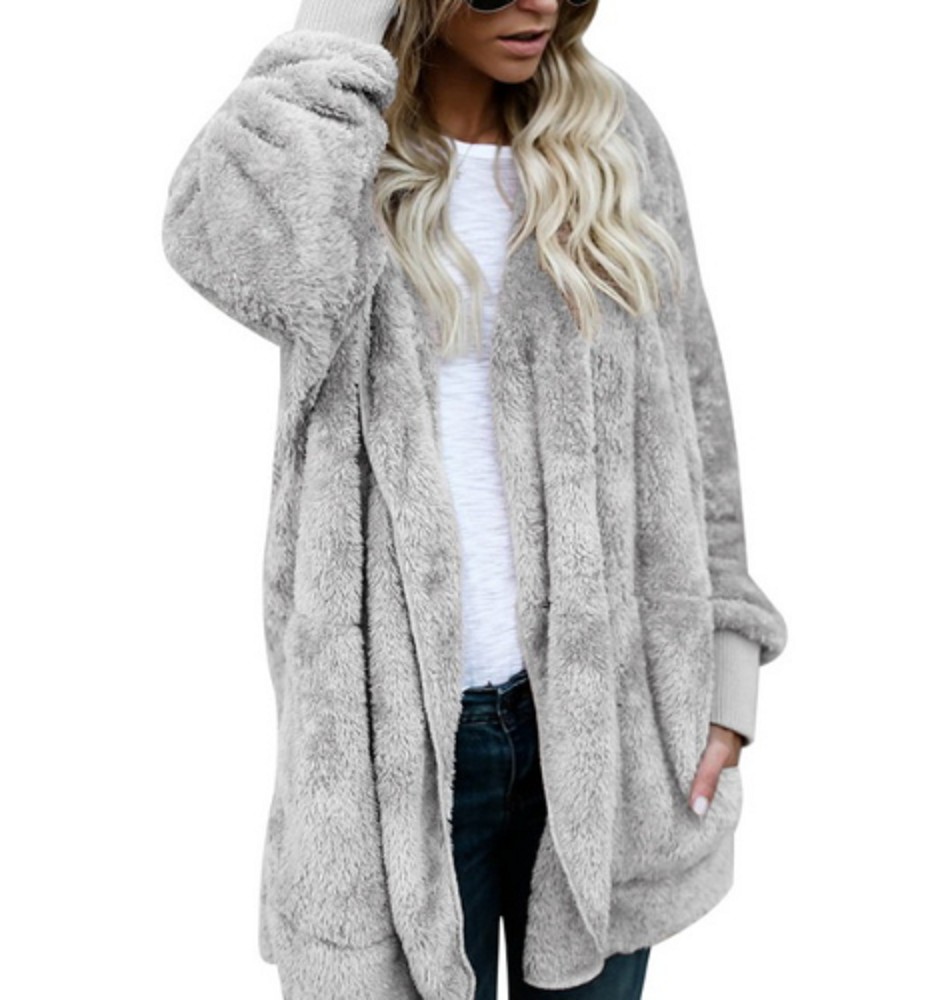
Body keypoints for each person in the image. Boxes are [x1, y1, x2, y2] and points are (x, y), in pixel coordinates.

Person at [160, 1, 789, 998]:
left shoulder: (609, 136)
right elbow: (227, 248)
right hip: (393, 758)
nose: (537, 3)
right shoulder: (339, 147)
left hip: (605, 729)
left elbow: (695, 414)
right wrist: (336, 26)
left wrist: (726, 683)